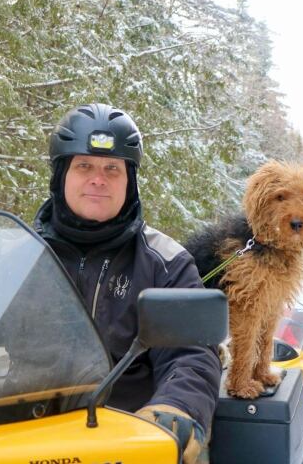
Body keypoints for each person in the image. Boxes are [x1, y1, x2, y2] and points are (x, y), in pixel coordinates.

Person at [33, 103, 221, 464]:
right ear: (60, 175)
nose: (98, 178)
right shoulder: (19, 256)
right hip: (22, 437)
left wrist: (175, 408)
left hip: (129, 441)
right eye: (84, 165)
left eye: (112, 169)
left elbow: (191, 354)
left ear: (129, 180)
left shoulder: (166, 263)